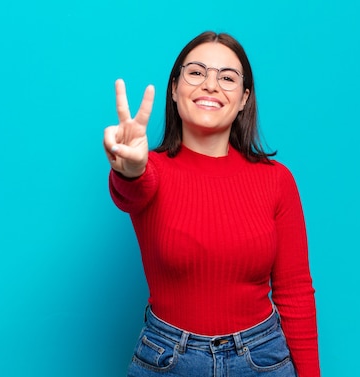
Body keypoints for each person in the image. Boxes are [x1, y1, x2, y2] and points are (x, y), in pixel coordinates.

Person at [103, 31, 320, 377]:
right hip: (168, 359)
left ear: (244, 98)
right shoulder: (151, 171)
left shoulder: (276, 180)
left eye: (228, 78)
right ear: (174, 89)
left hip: (262, 359)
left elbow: (295, 293)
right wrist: (128, 169)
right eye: (196, 73)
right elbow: (131, 190)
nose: (210, 85)